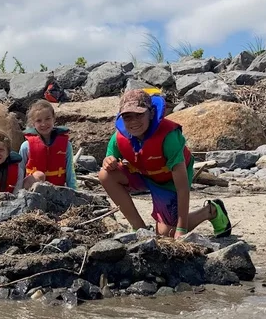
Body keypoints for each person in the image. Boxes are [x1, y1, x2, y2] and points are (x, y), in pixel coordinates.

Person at [98, 89, 231, 239]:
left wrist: (181, 229)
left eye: (139, 114)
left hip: (169, 181)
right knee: (105, 174)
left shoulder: (169, 137)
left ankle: (211, 210)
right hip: (144, 175)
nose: (134, 121)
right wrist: (109, 160)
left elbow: (182, 188)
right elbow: (109, 158)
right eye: (128, 117)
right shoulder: (119, 138)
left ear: (152, 114)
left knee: (166, 233)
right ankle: (139, 228)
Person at [19, 99, 76, 190]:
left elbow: (70, 172)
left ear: (54, 118)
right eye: (39, 120)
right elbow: (19, 170)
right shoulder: (26, 146)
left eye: (47, 119)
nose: (44, 124)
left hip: (57, 189)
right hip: (32, 190)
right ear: (33, 123)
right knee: (39, 175)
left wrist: (74, 192)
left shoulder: (66, 145)